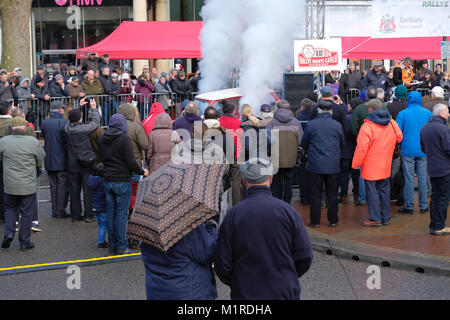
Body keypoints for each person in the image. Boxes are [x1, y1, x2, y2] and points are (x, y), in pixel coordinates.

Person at [214, 158, 313, 300]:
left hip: (245, 292)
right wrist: (287, 275)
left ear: (244, 180)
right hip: (284, 291)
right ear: (271, 179)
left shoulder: (234, 215)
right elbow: (305, 255)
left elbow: (222, 262)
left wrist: (238, 281)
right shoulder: (287, 212)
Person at [99, 114, 149, 255]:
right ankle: (121, 246)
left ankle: (112, 244)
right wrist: (142, 171)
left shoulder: (103, 138)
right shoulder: (124, 139)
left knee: (111, 214)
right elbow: (131, 162)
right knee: (121, 215)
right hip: (122, 180)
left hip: (108, 179)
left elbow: (102, 158)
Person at [352, 99, 403, 227]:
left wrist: (356, 163)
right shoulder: (391, 122)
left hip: (370, 165)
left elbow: (362, 148)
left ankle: (375, 218)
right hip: (385, 162)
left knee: (372, 192)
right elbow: (399, 137)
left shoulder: (367, 126)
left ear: (370, 110)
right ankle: (385, 217)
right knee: (384, 190)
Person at [0, 117, 45, 251]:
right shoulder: (32, 141)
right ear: (25, 128)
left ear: (11, 128)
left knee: (9, 209)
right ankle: (24, 242)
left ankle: (9, 233)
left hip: (10, 184)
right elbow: (40, 157)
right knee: (26, 212)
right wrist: (37, 167)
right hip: (27, 184)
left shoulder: (3, 142)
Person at [300, 101, 344, 228]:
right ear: (331, 111)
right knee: (333, 194)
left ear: (318, 110)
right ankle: (333, 220)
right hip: (332, 165)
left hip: (315, 165)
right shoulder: (337, 125)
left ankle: (315, 221)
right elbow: (342, 143)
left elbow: (304, 143)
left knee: (315, 194)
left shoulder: (311, 124)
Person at [396, 91, 432, 214]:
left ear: (409, 100)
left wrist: (400, 145)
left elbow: (398, 133)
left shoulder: (403, 114)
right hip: (423, 150)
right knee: (422, 178)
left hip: (407, 150)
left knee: (409, 178)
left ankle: (409, 206)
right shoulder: (427, 113)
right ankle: (423, 206)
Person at [64, 99, 101, 222]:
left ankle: (75, 215)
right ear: (80, 119)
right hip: (86, 161)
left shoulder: (67, 128)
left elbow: (72, 119)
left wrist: (78, 107)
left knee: (74, 189)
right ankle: (89, 214)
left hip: (72, 162)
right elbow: (95, 122)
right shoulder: (85, 128)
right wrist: (93, 108)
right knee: (87, 189)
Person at [420, 104, 450, 235]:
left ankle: (434, 224)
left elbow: (423, 148)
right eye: (447, 112)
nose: (449, 114)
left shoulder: (425, 127)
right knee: (443, 197)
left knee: (435, 197)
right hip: (444, 167)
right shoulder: (443, 129)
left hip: (432, 166)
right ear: (441, 113)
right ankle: (439, 226)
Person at [266, 100, 302, 204]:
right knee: (289, 181)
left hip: (275, 158)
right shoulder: (296, 122)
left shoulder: (271, 123)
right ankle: (287, 202)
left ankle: (276, 202)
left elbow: (267, 141)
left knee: (276, 182)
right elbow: (300, 141)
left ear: (277, 108)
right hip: (291, 158)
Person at [41, 101, 70, 219]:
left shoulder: (45, 123)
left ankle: (55, 209)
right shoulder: (64, 123)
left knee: (53, 186)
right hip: (62, 158)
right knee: (62, 185)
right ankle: (60, 210)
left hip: (49, 158)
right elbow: (67, 141)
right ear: (60, 110)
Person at [219, 100, 244, 205]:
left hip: (221, 154)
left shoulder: (219, 122)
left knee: (219, 181)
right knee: (236, 181)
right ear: (233, 112)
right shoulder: (239, 123)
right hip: (236, 154)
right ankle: (237, 204)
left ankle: (220, 204)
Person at [339, 97, 363, 204]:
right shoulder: (360, 118)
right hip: (356, 150)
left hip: (344, 150)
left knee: (344, 174)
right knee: (356, 174)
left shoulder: (345, 117)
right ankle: (357, 193)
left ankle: (343, 194)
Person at [88, 163, 109, 248]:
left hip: (95, 206)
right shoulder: (103, 181)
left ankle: (101, 240)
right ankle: (102, 241)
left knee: (100, 223)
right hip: (103, 206)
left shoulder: (91, 179)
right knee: (103, 224)